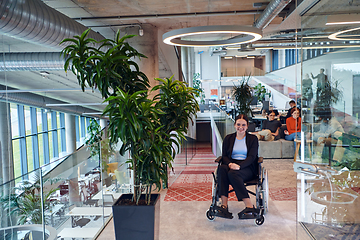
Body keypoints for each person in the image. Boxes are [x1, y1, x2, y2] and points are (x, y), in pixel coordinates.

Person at [216, 114, 259, 219]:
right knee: (222, 169)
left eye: (243, 125)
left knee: (233, 173)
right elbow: (224, 156)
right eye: (238, 124)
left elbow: (252, 157)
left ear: (247, 126)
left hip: (247, 166)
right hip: (231, 163)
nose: (241, 127)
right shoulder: (228, 138)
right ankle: (224, 205)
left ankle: (249, 206)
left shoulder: (253, 139)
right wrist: (230, 164)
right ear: (234, 125)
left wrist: (239, 166)